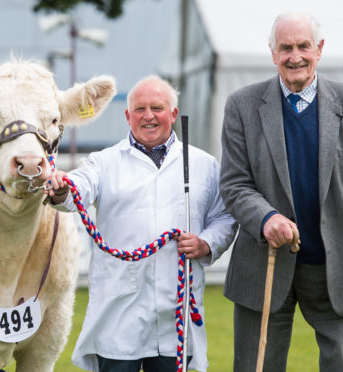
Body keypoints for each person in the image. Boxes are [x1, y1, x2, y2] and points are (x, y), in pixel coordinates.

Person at [219, 11, 343, 371]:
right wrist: (265, 217)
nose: (294, 56)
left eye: (303, 46)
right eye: (285, 48)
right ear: (272, 53)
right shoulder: (242, 106)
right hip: (263, 264)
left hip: (337, 266)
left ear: (319, 49)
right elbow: (235, 184)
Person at [46, 75, 237, 372]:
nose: (148, 116)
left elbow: (224, 216)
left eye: (157, 108)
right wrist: (61, 187)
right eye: (140, 109)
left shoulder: (204, 164)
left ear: (173, 113)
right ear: (128, 116)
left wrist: (205, 243)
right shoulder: (104, 162)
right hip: (119, 313)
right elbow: (77, 188)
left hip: (176, 314)